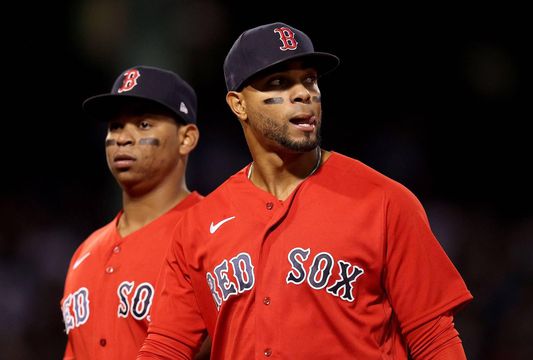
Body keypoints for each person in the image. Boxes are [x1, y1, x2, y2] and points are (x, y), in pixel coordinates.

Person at [138, 23, 473, 359]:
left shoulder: (385, 202)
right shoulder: (200, 225)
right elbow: (166, 346)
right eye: (280, 83)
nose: (303, 94)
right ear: (238, 105)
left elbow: (434, 338)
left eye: (309, 80)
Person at [60, 65, 210, 360]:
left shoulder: (213, 231)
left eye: (143, 124)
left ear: (186, 138)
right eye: (115, 125)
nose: (122, 138)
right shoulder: (84, 253)